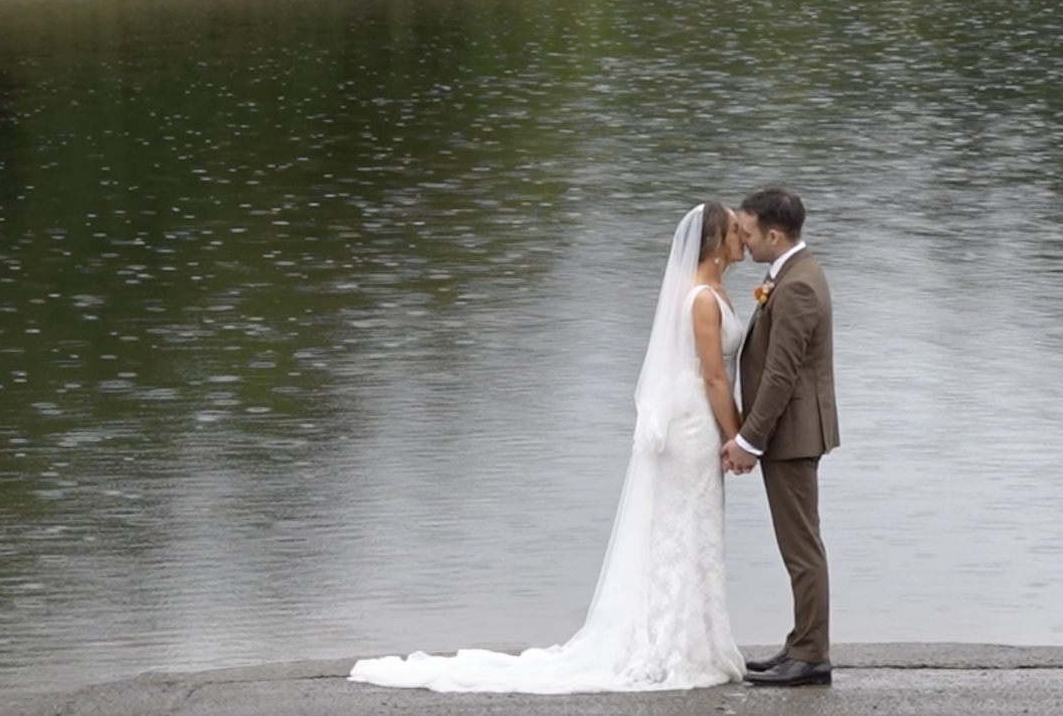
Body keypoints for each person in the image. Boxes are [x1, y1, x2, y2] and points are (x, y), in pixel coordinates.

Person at [347, 203, 750, 692]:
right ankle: (671, 644)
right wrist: (735, 436)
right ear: (714, 241)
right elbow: (713, 377)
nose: (744, 237)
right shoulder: (701, 298)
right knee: (683, 526)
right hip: (693, 423)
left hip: (699, 417)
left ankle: (696, 638)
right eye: (735, 230)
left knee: (697, 526)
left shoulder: (714, 290)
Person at [722, 186, 839, 687]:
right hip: (790, 431)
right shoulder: (790, 274)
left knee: (801, 548)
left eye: (747, 232)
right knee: (798, 544)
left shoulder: (799, 286)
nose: (743, 240)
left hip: (793, 433)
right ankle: (799, 644)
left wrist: (749, 440)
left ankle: (810, 655)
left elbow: (781, 374)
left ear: (773, 235)